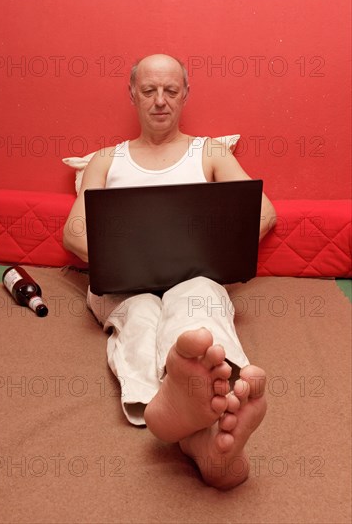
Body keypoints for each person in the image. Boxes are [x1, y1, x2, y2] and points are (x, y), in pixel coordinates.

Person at [63, 53, 276, 490]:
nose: (160, 101)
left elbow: (263, 213)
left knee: (195, 297)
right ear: (132, 95)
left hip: (193, 273)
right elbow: (74, 233)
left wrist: (213, 249)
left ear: (185, 96)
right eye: (149, 90)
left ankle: (185, 421)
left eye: (171, 91)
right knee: (140, 311)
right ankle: (194, 422)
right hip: (124, 283)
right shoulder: (106, 159)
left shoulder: (210, 151)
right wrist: (133, 253)